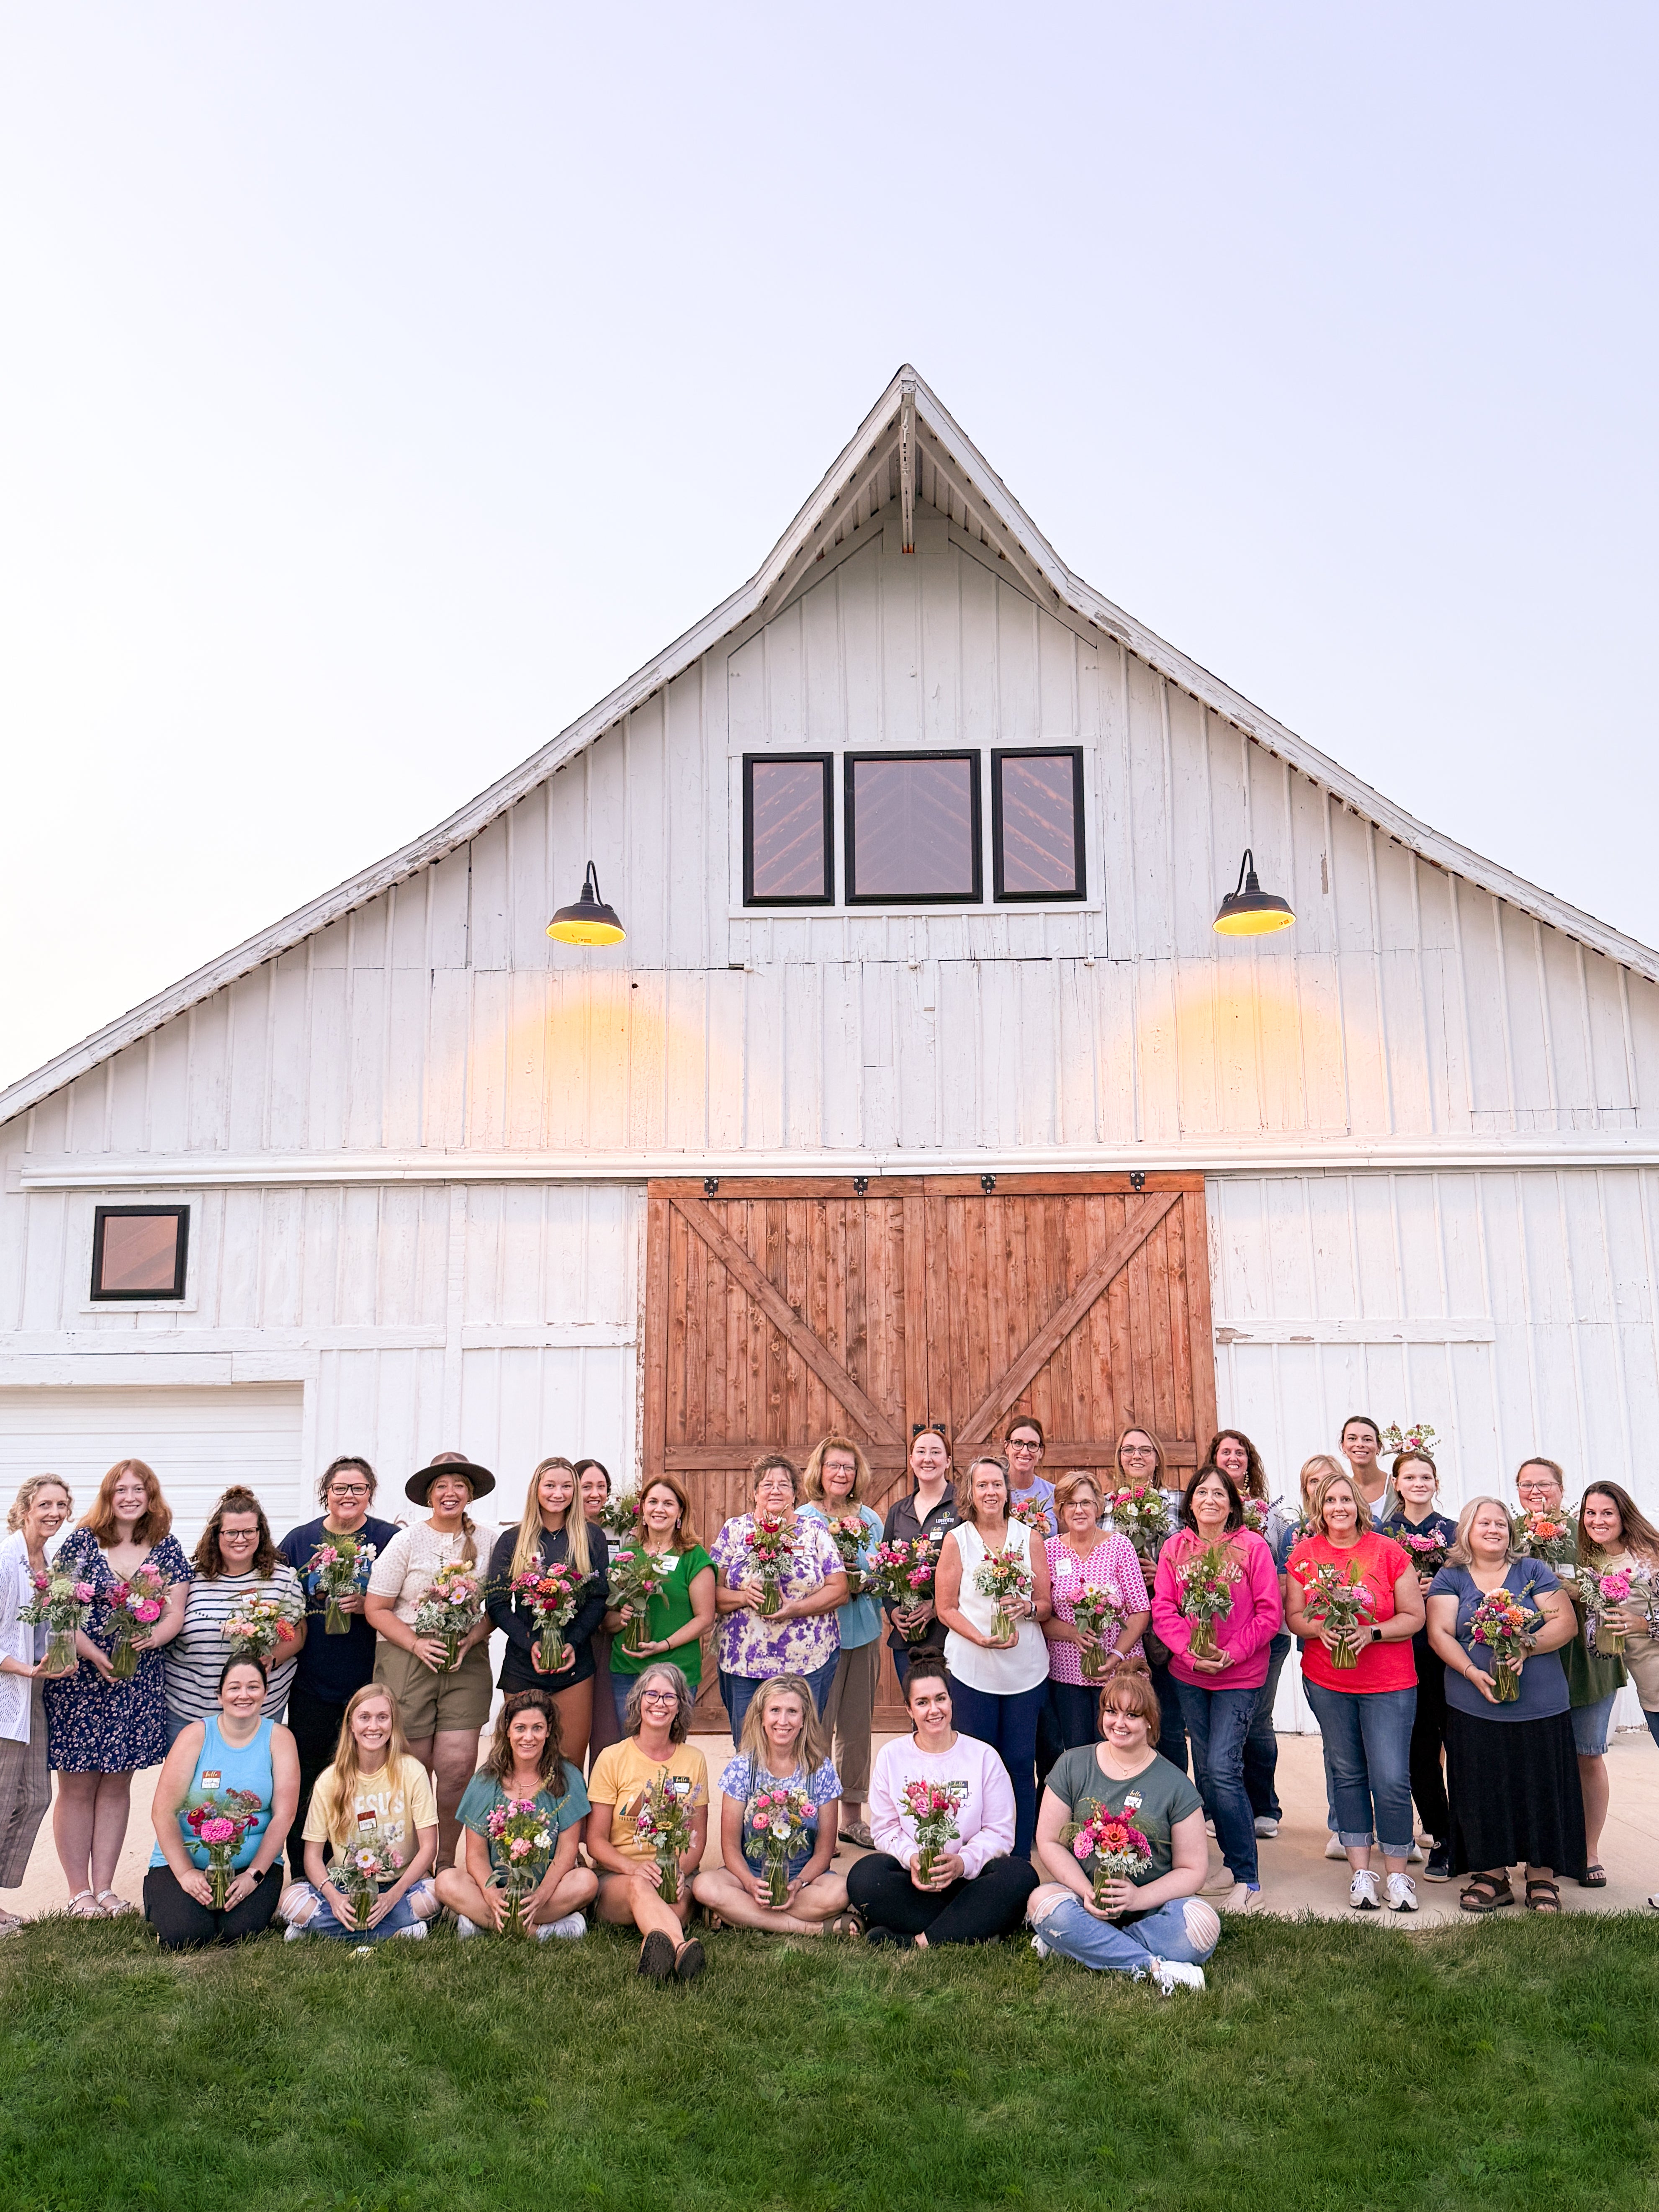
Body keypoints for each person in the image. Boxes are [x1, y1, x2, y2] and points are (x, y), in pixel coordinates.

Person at [46, 1459, 192, 1918]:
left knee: (116, 1784)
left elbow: (176, 1612)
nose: (129, 1497)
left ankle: (106, 1887)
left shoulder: (167, 1548)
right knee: (77, 1784)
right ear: (108, 1496)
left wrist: (154, 1637)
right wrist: (93, 1653)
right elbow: (60, 1612)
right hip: (83, 1682)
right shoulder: (81, 1543)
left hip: (137, 1680)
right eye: (120, 1490)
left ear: (151, 1495)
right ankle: (78, 1892)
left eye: (138, 1489)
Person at [1427, 1497, 1582, 1914]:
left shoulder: (1532, 1571)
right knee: (1481, 1789)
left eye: (1501, 1523)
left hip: (1541, 1705)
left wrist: (1527, 1647)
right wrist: (1469, 1670)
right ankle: (1492, 1876)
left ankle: (1542, 1875)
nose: (1494, 1528)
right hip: (1472, 1704)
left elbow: (1564, 1622)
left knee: (1541, 1786)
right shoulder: (1451, 1576)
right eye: (1484, 1523)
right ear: (1467, 1531)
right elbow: (1440, 1632)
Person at [1027, 1660, 1217, 1993]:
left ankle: (1078, 1947)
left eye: (1132, 1715)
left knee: (1203, 1924)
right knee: (1042, 1902)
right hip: (1083, 1902)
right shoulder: (1072, 1764)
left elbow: (1193, 1870)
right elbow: (1049, 1841)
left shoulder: (1174, 1784)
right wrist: (1086, 1892)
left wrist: (1137, 1897)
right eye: (1111, 1712)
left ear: (1150, 1722)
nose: (1119, 1723)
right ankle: (1154, 1967)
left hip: (1151, 1910)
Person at [1284, 1469, 1424, 1911]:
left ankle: (1398, 1876)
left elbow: (1414, 1616)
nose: (1338, 1508)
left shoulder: (1388, 1552)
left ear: (1359, 1506)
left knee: (1390, 1778)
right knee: (1347, 1773)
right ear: (1319, 1509)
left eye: (1346, 1499)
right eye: (1330, 1501)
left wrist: (1374, 1634)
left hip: (1389, 1684)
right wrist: (1319, 1626)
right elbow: (1296, 1616)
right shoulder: (1305, 1556)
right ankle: (1361, 1872)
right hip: (1329, 1681)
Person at [1151, 1464, 1281, 1905]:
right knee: (1207, 1771)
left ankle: (1249, 1878)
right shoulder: (1176, 1548)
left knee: (1224, 1770)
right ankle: (1228, 1863)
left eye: (1219, 1493)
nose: (1210, 1499)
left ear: (1232, 1504)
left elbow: (1269, 1614)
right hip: (1189, 1676)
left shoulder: (1252, 1548)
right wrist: (1190, 1652)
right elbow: (1164, 1609)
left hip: (1239, 1676)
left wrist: (1232, 1653)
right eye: (1202, 1492)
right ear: (1190, 1502)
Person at [846, 1658, 1039, 1947]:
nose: (934, 1710)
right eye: (922, 1702)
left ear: (951, 1702)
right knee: (864, 1876)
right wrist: (912, 1858)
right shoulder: (891, 1756)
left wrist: (962, 1863)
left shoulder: (983, 1757)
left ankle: (920, 1941)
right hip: (915, 1880)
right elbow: (885, 1830)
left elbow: (1000, 1833)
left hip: (970, 1881)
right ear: (909, 1710)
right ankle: (974, 1927)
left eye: (940, 1699)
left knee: (1019, 1876)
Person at [365, 1457, 498, 1867]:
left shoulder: (491, 1542)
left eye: (459, 1485)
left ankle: (443, 1862)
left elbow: (497, 1606)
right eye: (441, 1485)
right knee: (414, 1768)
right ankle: (409, 1862)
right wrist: (416, 1643)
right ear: (429, 1495)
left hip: (466, 1660)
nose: (450, 1492)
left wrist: (471, 1637)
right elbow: (377, 1607)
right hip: (409, 1659)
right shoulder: (406, 1542)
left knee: (457, 1767)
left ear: (470, 1493)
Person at [277, 1455, 400, 1877]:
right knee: (309, 1776)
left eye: (358, 1488)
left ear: (370, 1493)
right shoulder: (299, 1540)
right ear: (325, 1491)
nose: (349, 1496)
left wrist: (371, 1606)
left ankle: (361, 1866)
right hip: (312, 1682)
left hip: (370, 1682)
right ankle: (303, 1871)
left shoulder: (387, 1538)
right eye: (340, 1488)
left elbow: (406, 1601)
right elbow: (278, 1598)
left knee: (363, 1777)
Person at [934, 1453, 1052, 1859]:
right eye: (982, 1484)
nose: (990, 1491)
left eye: (997, 1485)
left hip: (1025, 1671)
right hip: (972, 1670)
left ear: (1008, 1491)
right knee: (976, 1765)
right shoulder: (958, 1539)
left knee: (1021, 1761)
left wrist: (1028, 1608)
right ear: (971, 1491)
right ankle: (975, 1855)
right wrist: (981, 1638)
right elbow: (945, 1608)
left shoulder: (1029, 1537)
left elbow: (1046, 1604)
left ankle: (1019, 1859)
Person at [144, 1654, 298, 1950]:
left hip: (251, 1867)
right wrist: (186, 1874)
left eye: (253, 1687)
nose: (244, 1695)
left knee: (240, 1933)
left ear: (266, 1693)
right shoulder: (195, 1736)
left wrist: (255, 1875)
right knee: (186, 1936)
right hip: (184, 1865)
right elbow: (163, 1812)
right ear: (220, 1695)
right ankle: (164, 1897)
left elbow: (284, 1815)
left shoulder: (279, 1739)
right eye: (234, 1688)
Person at [692, 1674, 852, 1935]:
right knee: (704, 1886)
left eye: (792, 1712)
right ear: (762, 1717)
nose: (783, 1721)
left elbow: (824, 1852)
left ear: (804, 1719)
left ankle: (738, 1915)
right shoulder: (743, 1767)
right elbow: (730, 1847)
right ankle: (811, 1929)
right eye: (775, 1711)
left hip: (803, 1879)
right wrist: (750, 1883)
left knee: (840, 1892)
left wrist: (799, 1883)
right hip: (750, 1875)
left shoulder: (820, 1769)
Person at [279, 1683, 440, 1940]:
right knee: (290, 1900)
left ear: (393, 1724)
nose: (373, 1727)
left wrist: (392, 1897)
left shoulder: (412, 1771)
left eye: (382, 1718)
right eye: (364, 1718)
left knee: (436, 1892)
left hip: (401, 1884)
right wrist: (334, 1898)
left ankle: (324, 1930)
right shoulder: (330, 1780)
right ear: (351, 1725)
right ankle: (399, 1931)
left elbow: (429, 1846)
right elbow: (312, 1857)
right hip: (347, 1887)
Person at [435, 1689, 598, 1940]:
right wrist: (491, 1896)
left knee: (587, 1881)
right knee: (446, 1882)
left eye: (537, 1728)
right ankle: (544, 1932)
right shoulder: (486, 1780)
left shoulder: (567, 1778)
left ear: (548, 1730)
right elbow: (475, 1855)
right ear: (508, 1731)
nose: (528, 1737)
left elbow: (567, 1852)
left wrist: (542, 1895)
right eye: (520, 1728)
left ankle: (484, 1923)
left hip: (545, 1893)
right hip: (498, 1891)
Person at [585, 1663, 710, 1981]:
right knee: (642, 1886)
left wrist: (679, 1872)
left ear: (681, 1706)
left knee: (679, 1897)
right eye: (652, 1694)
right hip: (618, 1878)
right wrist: (633, 1868)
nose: (659, 1703)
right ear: (638, 1701)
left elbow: (696, 1837)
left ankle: (655, 1951)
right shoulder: (612, 1757)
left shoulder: (693, 1759)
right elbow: (596, 1840)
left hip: (673, 1875)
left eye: (670, 1697)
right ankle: (682, 1948)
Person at [710, 1455, 847, 1736]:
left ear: (795, 1494)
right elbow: (711, 1593)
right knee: (748, 1746)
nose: (775, 1490)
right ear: (754, 1494)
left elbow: (839, 1589)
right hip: (744, 1662)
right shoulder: (735, 1530)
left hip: (807, 1662)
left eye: (784, 1485)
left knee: (801, 1745)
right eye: (767, 1484)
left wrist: (796, 1608)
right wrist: (744, 1597)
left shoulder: (813, 1530)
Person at [487, 1455, 610, 1767]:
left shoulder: (590, 1537)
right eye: (550, 1485)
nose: (559, 1493)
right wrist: (531, 1643)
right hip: (522, 1666)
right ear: (536, 1489)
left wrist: (573, 1642)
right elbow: (498, 1602)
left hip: (575, 1665)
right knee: (522, 1762)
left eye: (567, 1486)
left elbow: (598, 1598)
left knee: (569, 1765)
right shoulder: (512, 1540)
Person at [800, 1435, 885, 1848]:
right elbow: (793, 1579)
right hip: (816, 1638)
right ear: (819, 1470)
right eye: (834, 1465)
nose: (841, 1473)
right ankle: (817, 1820)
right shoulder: (800, 1518)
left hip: (863, 1632)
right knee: (816, 1728)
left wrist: (864, 1578)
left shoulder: (870, 1519)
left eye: (849, 1467)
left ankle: (851, 1817)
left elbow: (883, 1573)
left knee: (856, 1727)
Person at [165, 1486, 303, 1739]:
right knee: (187, 1779)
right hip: (190, 1711)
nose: (241, 1539)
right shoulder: (190, 1578)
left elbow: (298, 1632)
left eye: (249, 1531)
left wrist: (272, 1658)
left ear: (261, 1533)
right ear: (217, 1534)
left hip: (258, 1710)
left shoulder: (283, 1579)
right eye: (231, 1532)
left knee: (249, 1779)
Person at [1573, 1482, 1659, 1881]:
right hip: (1650, 1690)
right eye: (1590, 1513)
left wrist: (1643, 1623)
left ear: (1623, 1514)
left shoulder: (1651, 1558)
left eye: (1606, 1513)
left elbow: (1639, 1623)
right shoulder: (1594, 1564)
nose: (1597, 1520)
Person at [1039, 1471, 1149, 1781]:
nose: (1079, 1510)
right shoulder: (1049, 1551)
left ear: (1099, 1507)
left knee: (1118, 1752)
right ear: (1060, 1510)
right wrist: (1074, 1634)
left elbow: (1140, 1611)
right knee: (1076, 1752)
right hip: (1066, 1674)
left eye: (1086, 1502)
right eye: (1070, 1503)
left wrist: (1114, 1656)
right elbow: (1042, 1616)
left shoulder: (1119, 1547)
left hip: (1118, 1672)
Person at [1381, 1450, 1459, 1881]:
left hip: (1446, 1655)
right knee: (1419, 1750)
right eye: (1409, 1476)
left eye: (1426, 1476)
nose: (1418, 1482)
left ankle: (1468, 1833)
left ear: (1436, 1482)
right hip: (1401, 1653)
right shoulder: (1382, 1532)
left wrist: (1440, 1587)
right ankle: (1440, 1832)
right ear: (1396, 1482)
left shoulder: (1454, 1533)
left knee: (1459, 1742)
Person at [0, 1476, 74, 1933]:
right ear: (26, 1507)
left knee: (34, 1797)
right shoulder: (6, 1560)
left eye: (62, 1504)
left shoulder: (47, 1563)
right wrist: (24, 1670)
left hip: (35, 1696)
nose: (54, 1511)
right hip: (7, 1697)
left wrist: (59, 1655)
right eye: (45, 1503)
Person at [1209, 1427, 1287, 1838]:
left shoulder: (1269, 1515)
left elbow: (1280, 1568)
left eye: (1241, 1452)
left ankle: (1264, 1807)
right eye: (1226, 1452)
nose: (1234, 1457)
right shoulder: (1202, 1508)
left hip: (1265, 1633)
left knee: (1257, 1721)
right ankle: (1218, 1804)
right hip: (1217, 1636)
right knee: (1216, 1725)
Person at [1102, 1426, 1189, 1777]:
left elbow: (1198, 1556)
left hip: (1163, 1620)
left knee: (1167, 1720)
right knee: (1122, 1713)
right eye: (1127, 1450)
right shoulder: (1105, 1504)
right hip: (1117, 1622)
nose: (1136, 1456)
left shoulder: (1179, 1502)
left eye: (1145, 1450)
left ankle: (1175, 1799)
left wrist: (1165, 1571)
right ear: (1119, 1458)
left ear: (1157, 1459)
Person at [602, 1471, 715, 1731]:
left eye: (668, 1503)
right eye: (653, 1502)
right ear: (643, 1510)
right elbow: (607, 1620)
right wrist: (622, 1618)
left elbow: (705, 1618)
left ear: (680, 1513)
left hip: (677, 1672)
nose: (659, 1509)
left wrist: (664, 1646)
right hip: (628, 1669)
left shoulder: (693, 1557)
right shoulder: (627, 1556)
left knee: (670, 1748)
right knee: (631, 1748)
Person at [878, 1425, 960, 1684]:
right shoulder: (898, 1511)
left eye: (936, 1452)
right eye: (921, 1452)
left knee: (952, 1711)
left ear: (947, 1461)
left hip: (951, 1633)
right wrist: (893, 1613)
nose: (928, 1459)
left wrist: (937, 1608)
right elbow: (884, 1569)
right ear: (911, 1460)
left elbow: (974, 1567)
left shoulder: (963, 1506)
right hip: (907, 1636)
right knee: (916, 1711)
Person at [576, 1459, 623, 1764]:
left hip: (610, 1635)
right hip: (576, 1636)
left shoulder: (620, 1530)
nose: (595, 1493)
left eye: (601, 1486)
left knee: (607, 1735)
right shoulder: (563, 1531)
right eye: (587, 1487)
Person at [1004, 1415, 1057, 1538]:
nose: (1024, 1452)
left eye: (1033, 1445)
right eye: (1018, 1443)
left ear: (1041, 1451)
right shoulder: (994, 1492)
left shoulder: (1054, 1494)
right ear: (1007, 1447)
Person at [1339, 1414, 1390, 1523]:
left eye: (1367, 1439)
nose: (1360, 1444)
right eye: (1352, 1439)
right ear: (1343, 1446)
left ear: (1379, 1447)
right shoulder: (1341, 1490)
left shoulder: (1397, 1486)